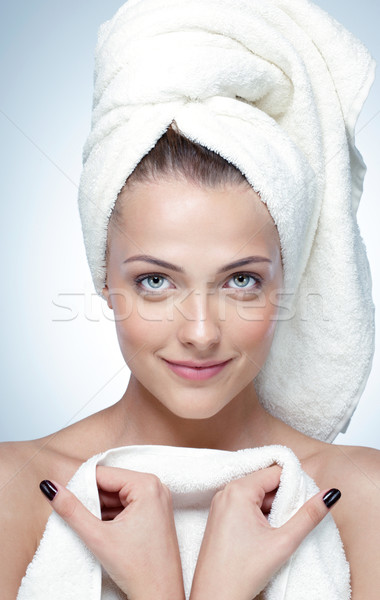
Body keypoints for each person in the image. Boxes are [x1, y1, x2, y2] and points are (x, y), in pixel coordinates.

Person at [1, 0, 380, 598]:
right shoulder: (13, 492)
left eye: (241, 280)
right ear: (105, 277)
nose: (200, 332)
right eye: (156, 281)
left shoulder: (365, 500)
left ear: (287, 283)